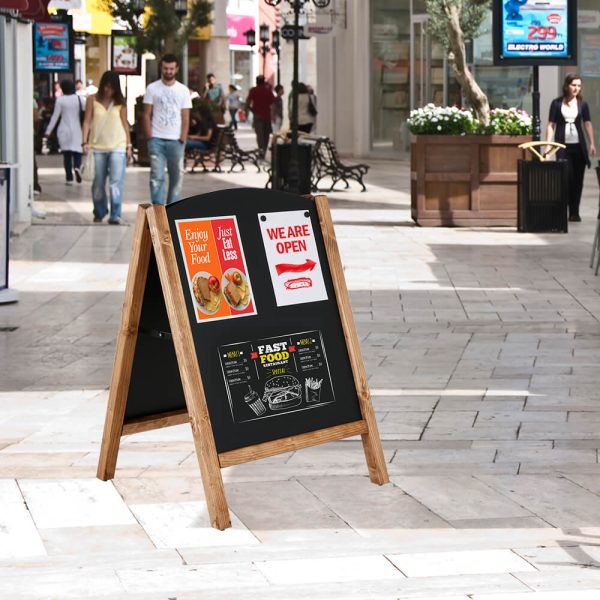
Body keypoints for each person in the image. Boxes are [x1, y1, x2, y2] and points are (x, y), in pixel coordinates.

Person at [81, 71, 132, 225]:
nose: (108, 90)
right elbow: (87, 122)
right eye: (106, 87)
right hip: (97, 148)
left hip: (118, 146)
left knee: (116, 182)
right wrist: (84, 142)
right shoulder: (92, 100)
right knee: (98, 182)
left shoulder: (120, 103)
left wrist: (129, 145)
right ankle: (99, 210)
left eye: (111, 88)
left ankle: (115, 214)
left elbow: (125, 125)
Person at [546, 73, 596, 222]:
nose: (576, 88)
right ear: (567, 86)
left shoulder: (583, 104)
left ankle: (574, 212)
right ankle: (563, 209)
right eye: (574, 85)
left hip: (578, 147)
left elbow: (587, 123)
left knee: (577, 180)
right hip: (562, 147)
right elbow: (551, 125)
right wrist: (548, 146)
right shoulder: (556, 103)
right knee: (565, 178)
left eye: (579, 86)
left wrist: (592, 143)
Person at [143, 53, 192, 205]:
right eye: (165, 68)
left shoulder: (183, 90)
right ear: (161, 68)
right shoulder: (152, 88)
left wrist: (182, 139)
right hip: (156, 139)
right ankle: (158, 209)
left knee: (176, 176)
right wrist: (150, 137)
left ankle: (172, 208)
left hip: (176, 140)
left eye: (171, 69)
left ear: (176, 69)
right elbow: (146, 115)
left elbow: (185, 117)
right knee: (156, 176)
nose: (168, 71)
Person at [44, 79, 84, 185]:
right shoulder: (80, 99)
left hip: (64, 129)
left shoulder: (60, 100)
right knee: (77, 152)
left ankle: (69, 178)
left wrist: (48, 131)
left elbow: (55, 117)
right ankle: (77, 167)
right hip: (77, 130)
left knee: (67, 155)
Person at [246, 75, 275, 159]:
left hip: (257, 115)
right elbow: (272, 105)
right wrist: (272, 116)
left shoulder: (253, 90)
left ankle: (261, 151)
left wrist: (252, 110)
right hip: (267, 115)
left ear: (256, 81)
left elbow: (248, 102)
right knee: (266, 135)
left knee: (259, 135)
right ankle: (264, 151)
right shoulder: (268, 91)